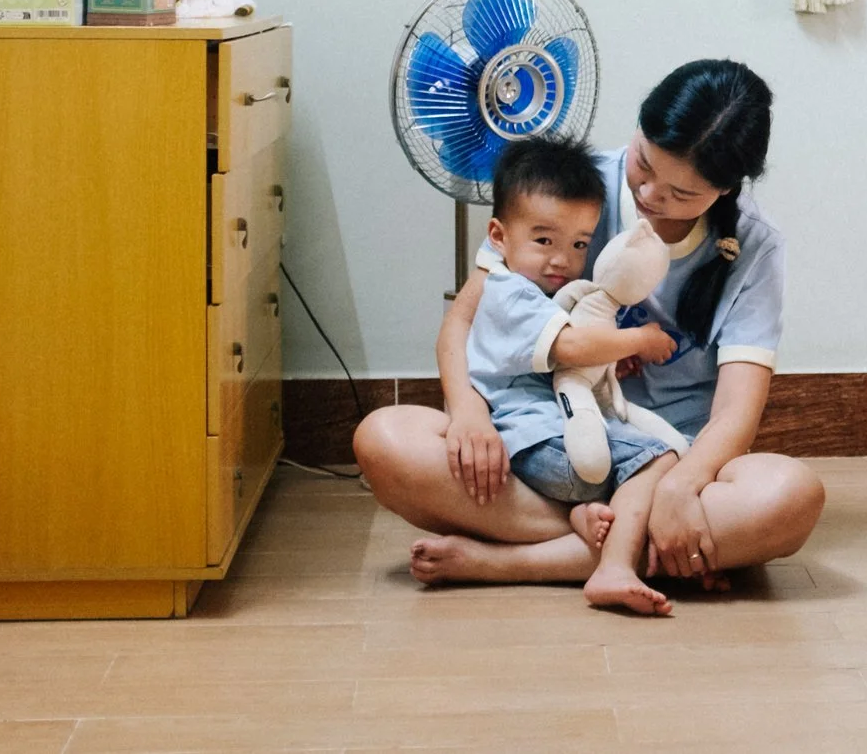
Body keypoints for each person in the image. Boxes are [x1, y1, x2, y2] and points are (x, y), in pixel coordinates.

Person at [354, 59, 826, 610]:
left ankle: (513, 562)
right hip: (541, 449)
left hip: (665, 457)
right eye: (644, 163)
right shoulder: (565, 190)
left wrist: (679, 488)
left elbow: (737, 413)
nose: (651, 194)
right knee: (384, 439)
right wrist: (467, 413)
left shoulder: (753, 247)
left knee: (793, 497)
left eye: (681, 193)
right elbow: (462, 319)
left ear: (724, 190)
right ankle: (640, 549)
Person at [462, 136, 681, 613]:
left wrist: (605, 364)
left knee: (619, 461)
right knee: (658, 459)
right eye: (544, 240)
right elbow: (573, 344)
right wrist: (640, 339)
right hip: (540, 441)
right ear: (497, 236)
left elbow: (568, 357)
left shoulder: (542, 292)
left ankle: (580, 516)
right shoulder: (509, 292)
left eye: (579, 243)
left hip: (544, 440)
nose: (562, 259)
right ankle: (614, 566)